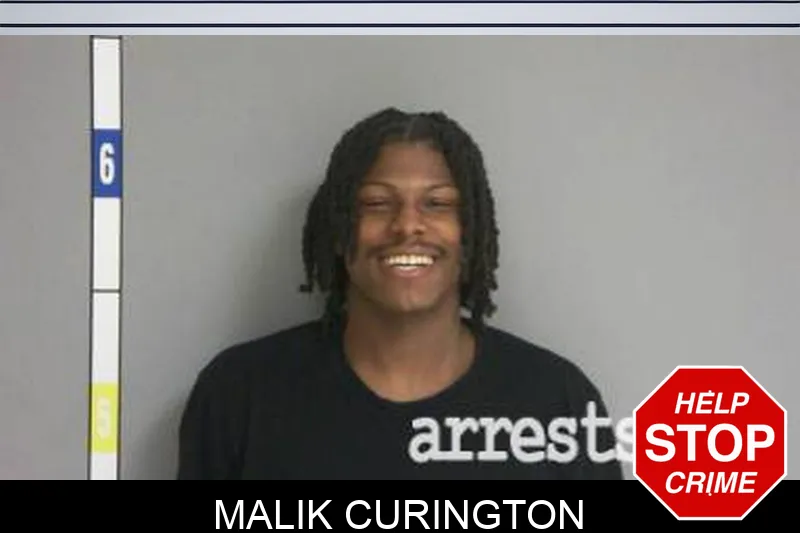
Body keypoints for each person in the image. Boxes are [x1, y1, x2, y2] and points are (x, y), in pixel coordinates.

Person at [177, 107, 624, 480]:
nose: (408, 225)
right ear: (339, 231)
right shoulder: (241, 394)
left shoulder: (557, 401)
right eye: (376, 203)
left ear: (470, 232)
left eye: (438, 203)